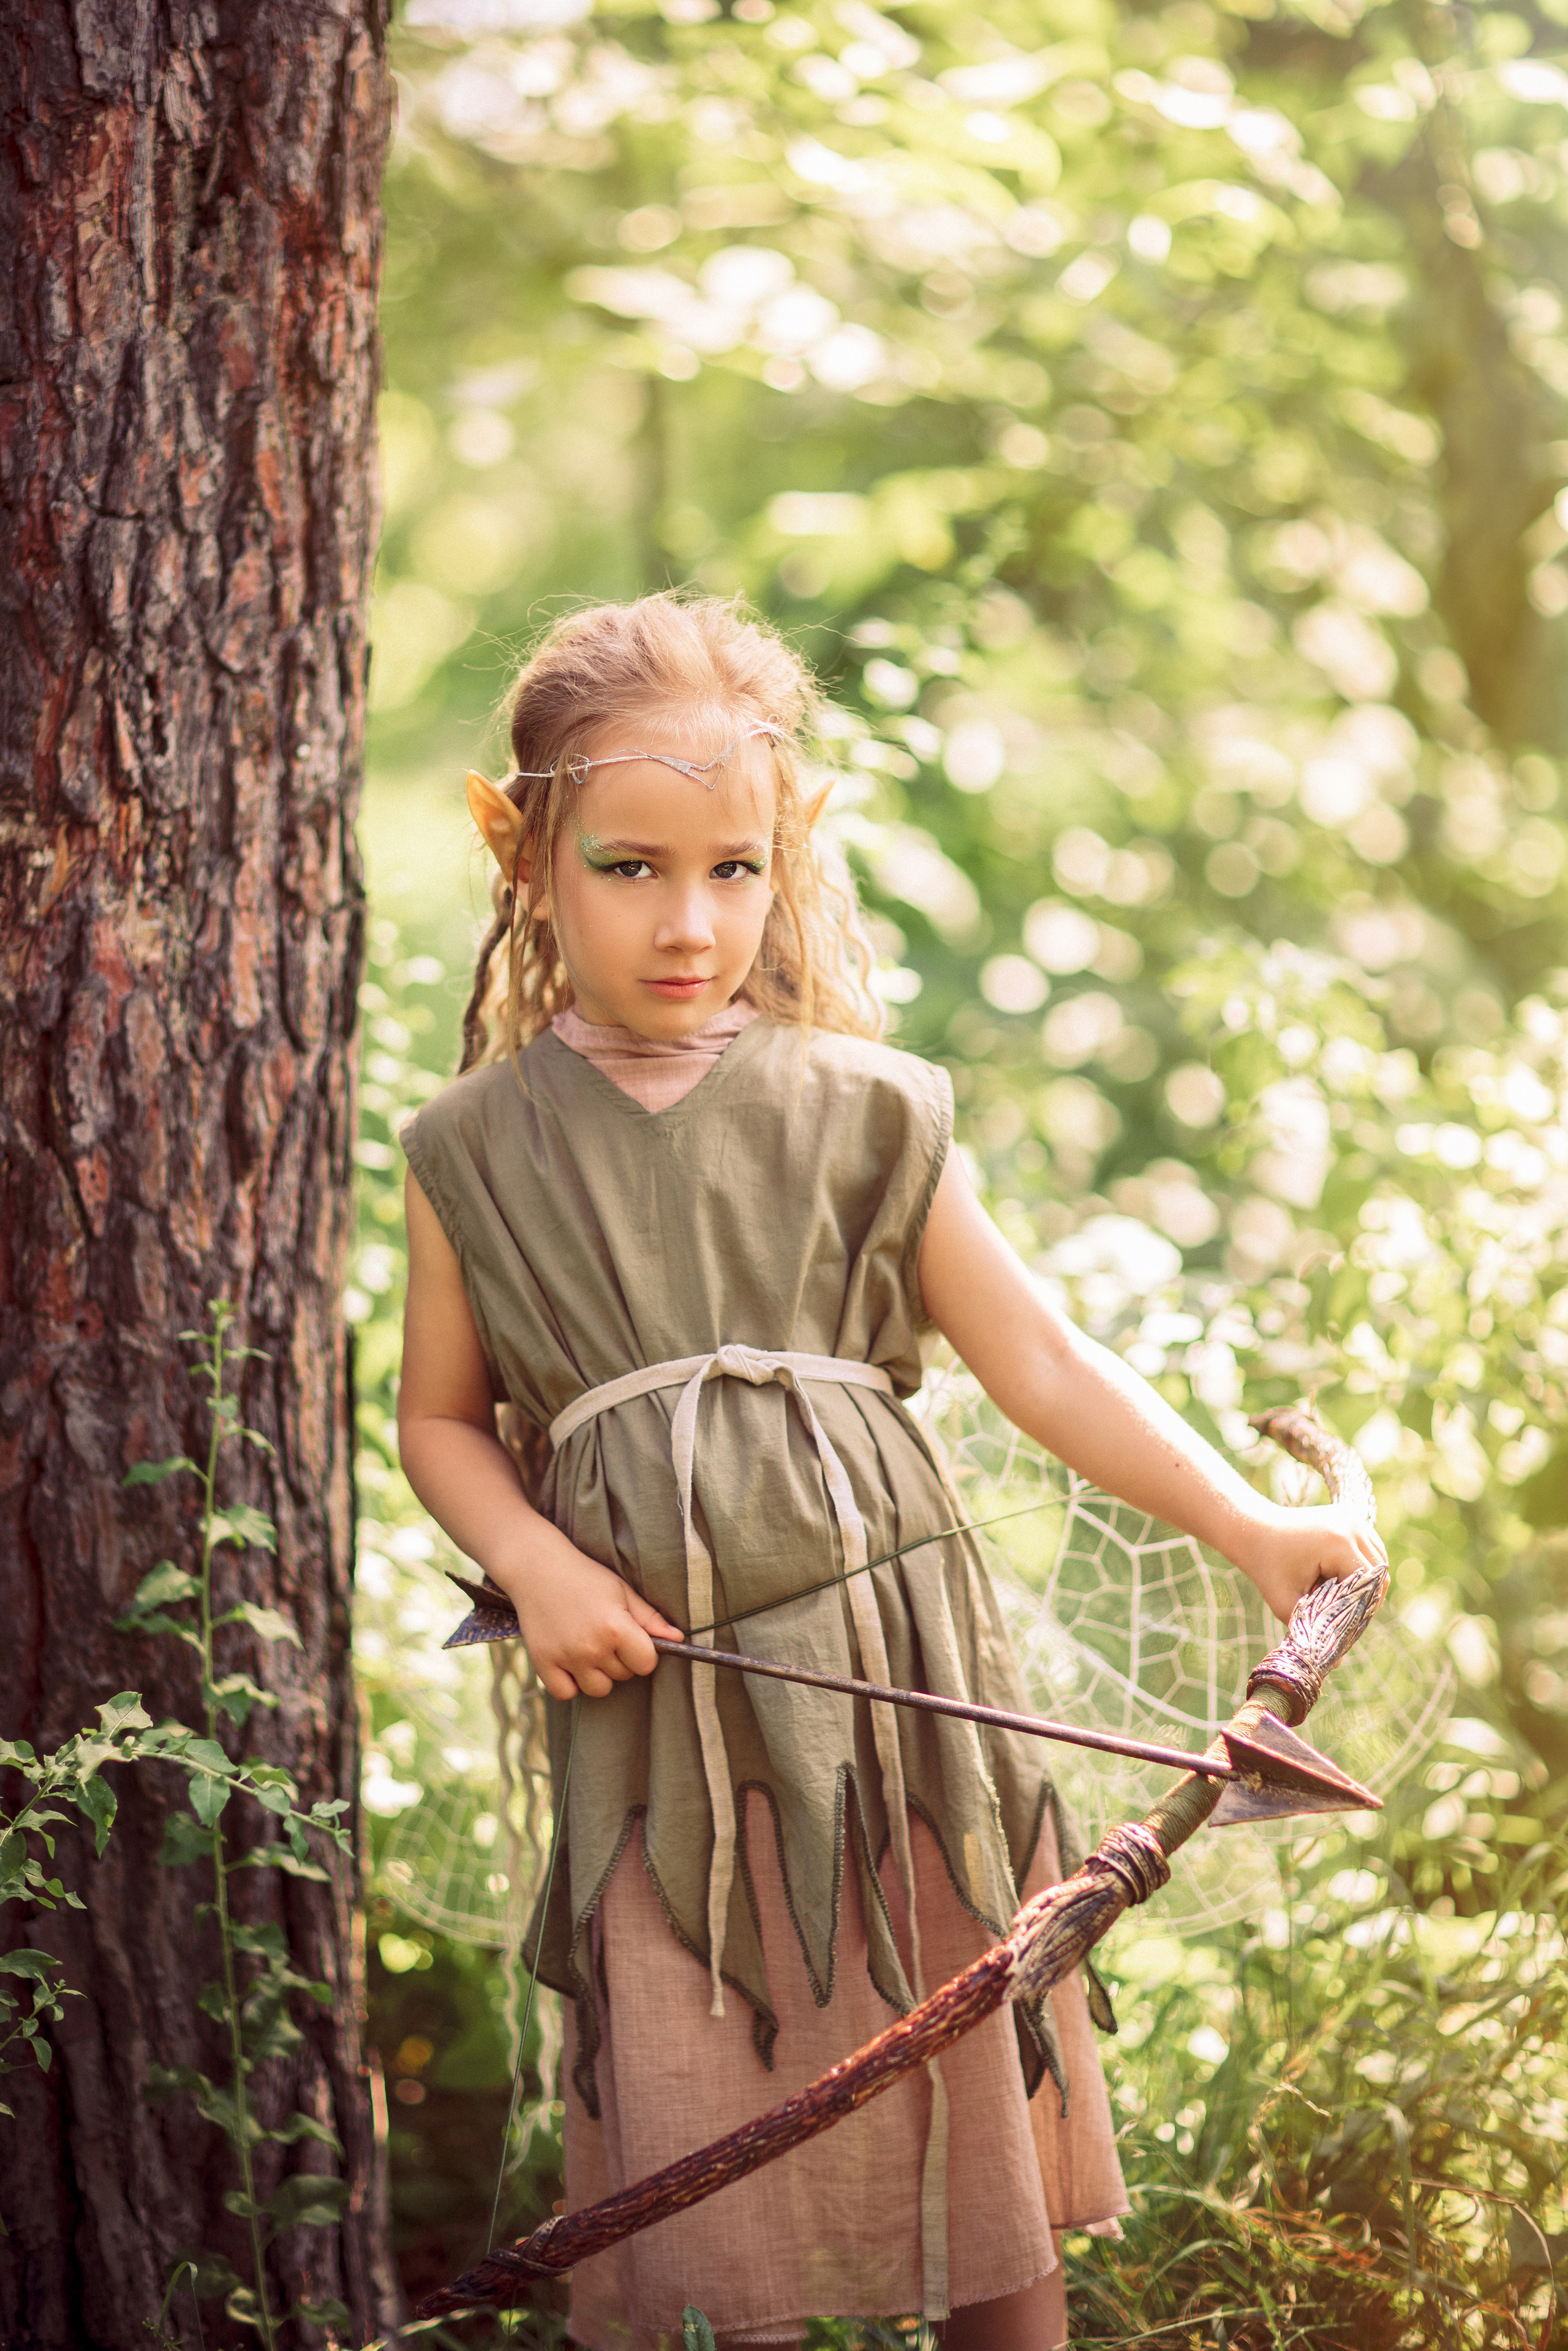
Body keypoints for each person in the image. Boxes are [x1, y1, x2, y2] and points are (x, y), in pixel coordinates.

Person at [397, 594, 1385, 2351]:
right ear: (520, 841)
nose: (688, 921)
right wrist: (533, 1567)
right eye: (630, 867)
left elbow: (1041, 1360)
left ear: (796, 851)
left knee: (964, 2113)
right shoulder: (475, 1146)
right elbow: (441, 1420)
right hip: (659, 1731)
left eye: (735, 867)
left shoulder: (864, 1107)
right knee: (712, 2131)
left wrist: (1246, 1525)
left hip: (901, 1706)